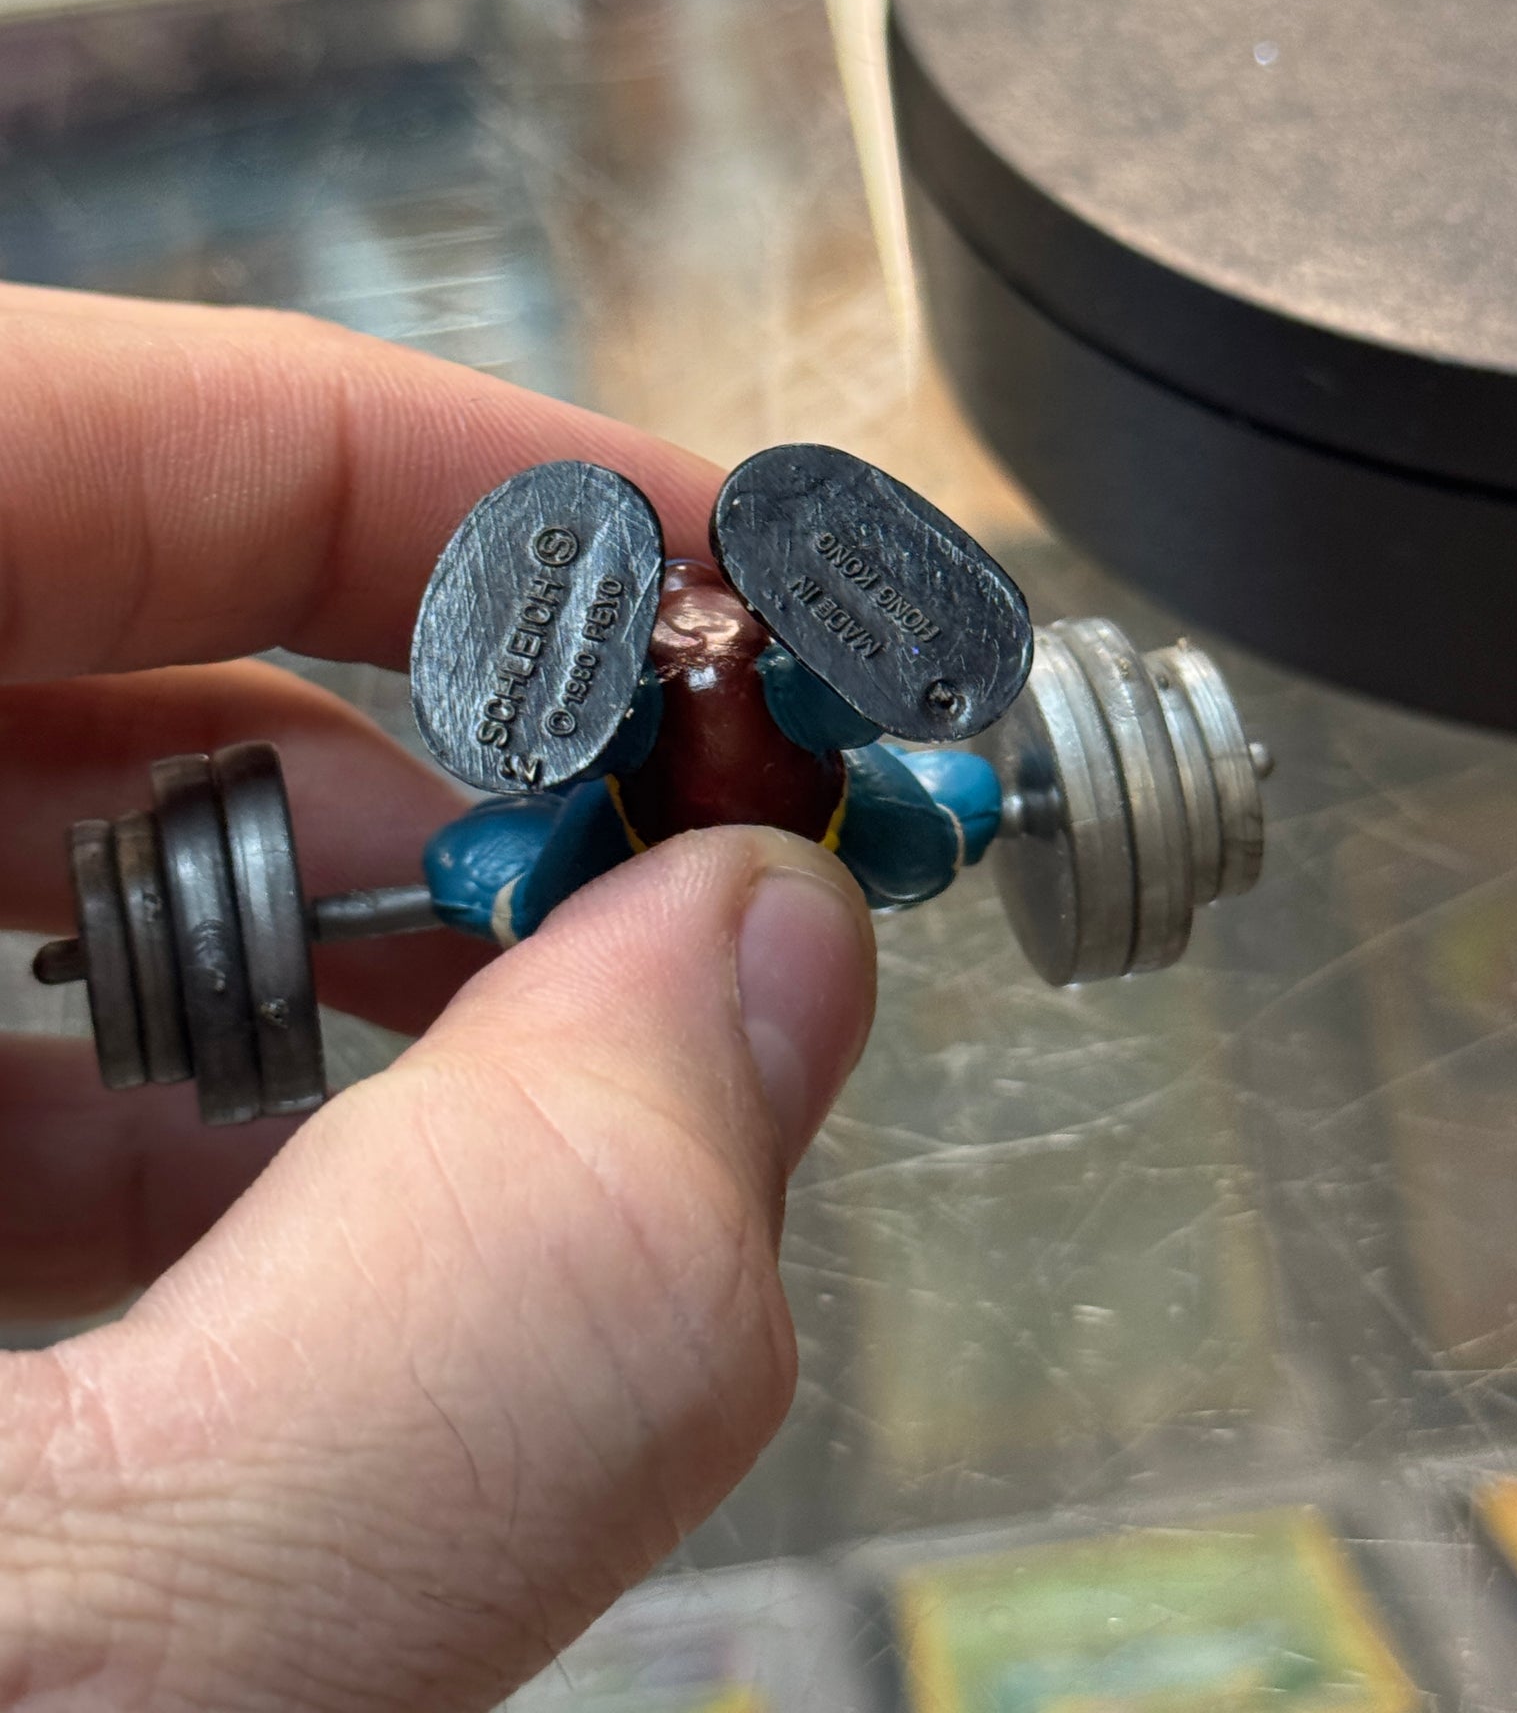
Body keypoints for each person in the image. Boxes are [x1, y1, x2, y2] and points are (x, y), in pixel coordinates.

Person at [0, 279, 876, 1711]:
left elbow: (870, 704)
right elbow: (543, 794)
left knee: (935, 818)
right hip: (622, 865)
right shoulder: (616, 725)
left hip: (803, 832)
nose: (705, 633)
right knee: (496, 889)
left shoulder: (800, 694)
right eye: (680, 627)